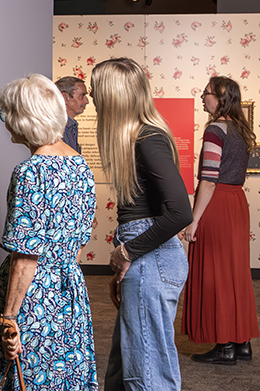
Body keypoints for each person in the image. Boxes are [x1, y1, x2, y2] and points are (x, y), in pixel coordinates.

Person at [0, 74, 97, 390]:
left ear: (24, 119)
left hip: (34, 296)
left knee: (26, 378)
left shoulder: (29, 172)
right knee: (64, 377)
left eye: (6, 113)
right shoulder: (80, 166)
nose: (5, 121)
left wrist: (9, 318)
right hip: (69, 290)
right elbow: (76, 241)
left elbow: (26, 257)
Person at [91, 58, 192, 390]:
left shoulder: (147, 138)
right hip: (145, 259)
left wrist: (128, 252)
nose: (91, 95)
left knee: (147, 374)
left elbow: (180, 212)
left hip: (150, 258)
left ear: (114, 96)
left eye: (96, 89)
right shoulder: (135, 139)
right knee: (125, 370)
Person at [182, 76, 259, 364]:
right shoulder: (240, 129)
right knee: (235, 272)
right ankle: (242, 343)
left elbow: (209, 180)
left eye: (207, 93)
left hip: (217, 204)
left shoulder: (216, 129)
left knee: (215, 274)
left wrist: (194, 220)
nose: (203, 97)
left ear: (221, 97)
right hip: (237, 203)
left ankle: (224, 345)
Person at [55, 76, 89, 153]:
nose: (86, 101)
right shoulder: (56, 130)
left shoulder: (71, 126)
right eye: (82, 96)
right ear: (64, 97)